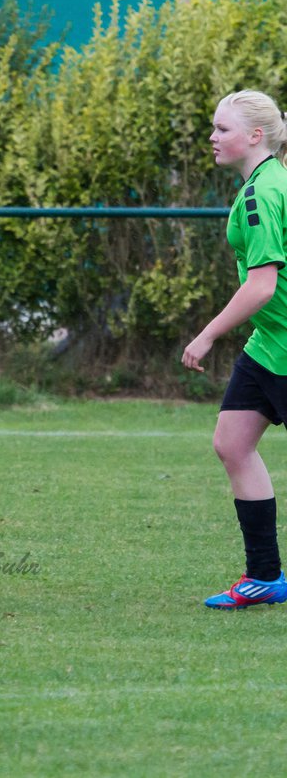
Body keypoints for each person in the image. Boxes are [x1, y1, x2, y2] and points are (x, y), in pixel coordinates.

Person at [184, 89, 287, 609]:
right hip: (271, 343)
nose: (212, 138)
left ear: (254, 137)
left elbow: (263, 285)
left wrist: (207, 334)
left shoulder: (260, 194)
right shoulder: (268, 182)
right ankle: (266, 577)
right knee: (232, 441)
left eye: (222, 129)